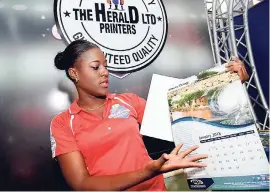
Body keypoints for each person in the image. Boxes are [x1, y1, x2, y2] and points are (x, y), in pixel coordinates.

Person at [50, 40, 249, 191]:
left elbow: (186, 114)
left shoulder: (129, 101)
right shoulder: (63, 123)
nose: (105, 72)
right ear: (74, 73)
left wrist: (227, 84)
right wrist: (149, 170)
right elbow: (82, 184)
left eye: (106, 66)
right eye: (96, 67)